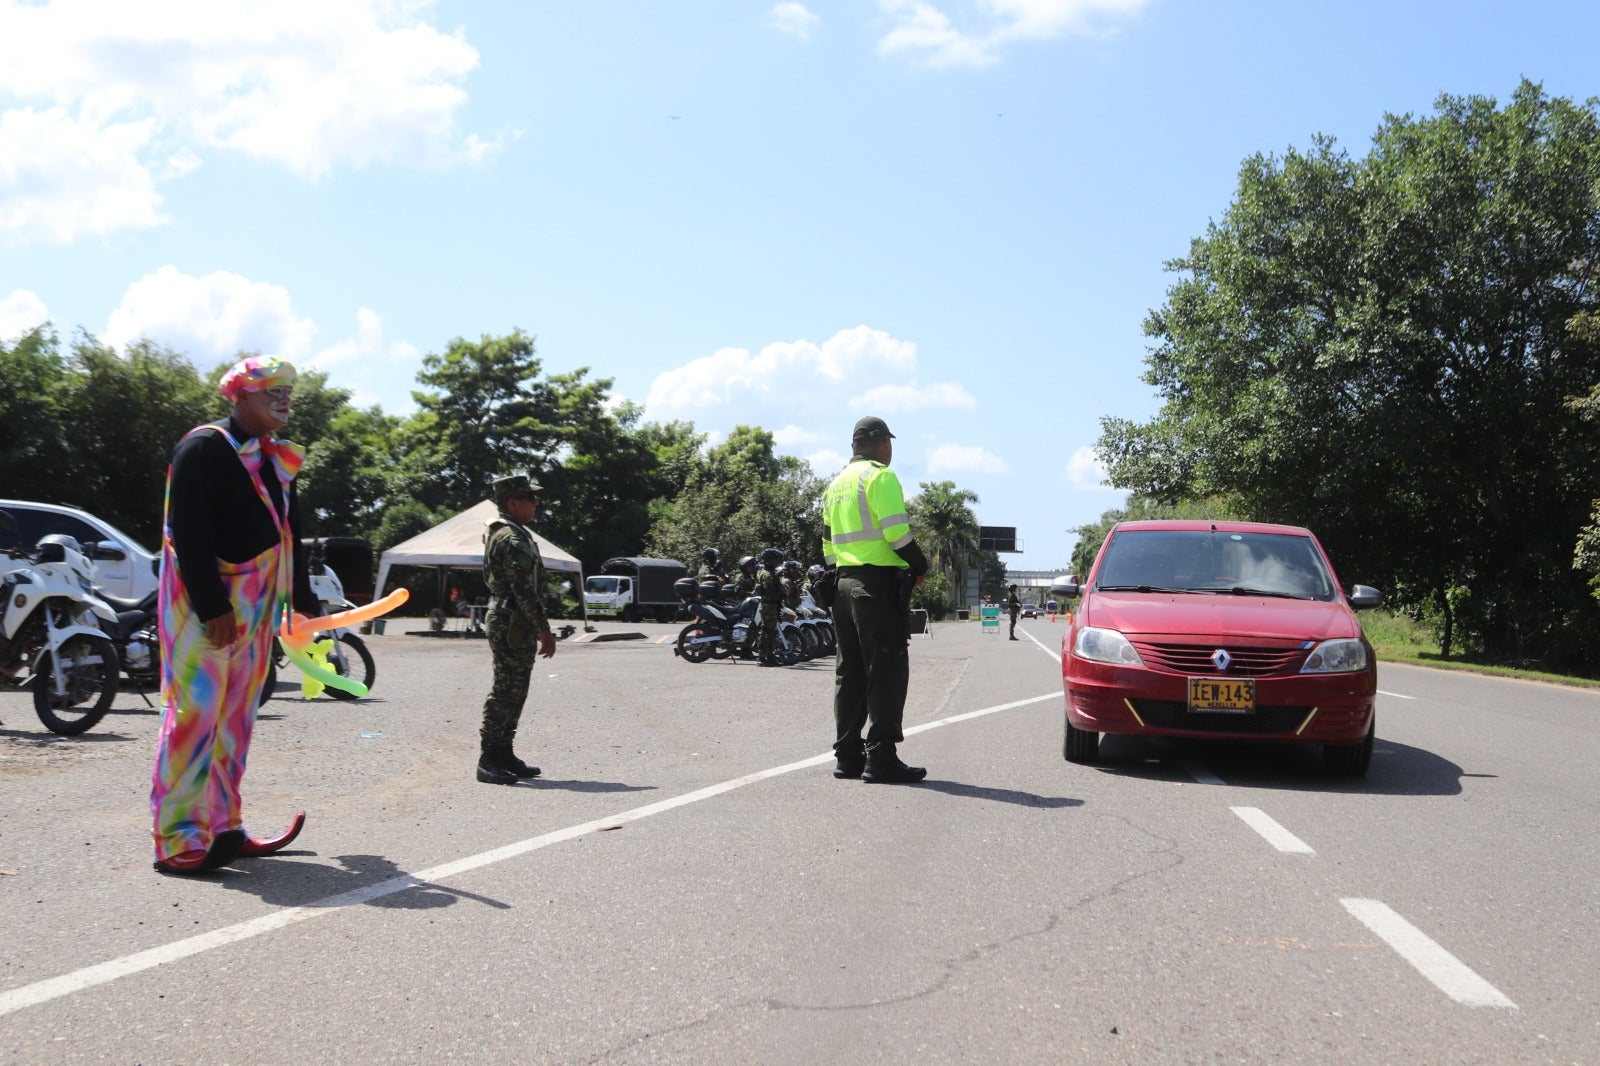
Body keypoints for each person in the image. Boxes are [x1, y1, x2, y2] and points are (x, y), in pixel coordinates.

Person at [150, 355, 321, 874]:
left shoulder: (273, 457)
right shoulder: (203, 447)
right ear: (240, 394)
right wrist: (212, 606)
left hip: (258, 607)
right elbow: (188, 531)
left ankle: (224, 828)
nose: (284, 400)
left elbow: (290, 531)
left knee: (235, 723)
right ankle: (178, 839)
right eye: (273, 390)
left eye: (289, 391)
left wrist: (302, 601)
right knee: (194, 719)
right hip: (206, 608)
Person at [820, 416, 930, 783]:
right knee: (886, 669)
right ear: (883, 442)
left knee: (850, 671)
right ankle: (881, 756)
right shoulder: (880, 477)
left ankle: (848, 755)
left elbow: (827, 543)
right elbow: (896, 533)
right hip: (875, 587)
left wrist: (841, 574)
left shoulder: (835, 484)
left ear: (854, 445)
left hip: (843, 585)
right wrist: (919, 564)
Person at [477, 473, 557, 785]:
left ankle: (503, 752)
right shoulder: (509, 537)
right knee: (505, 688)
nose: (535, 503)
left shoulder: (514, 532)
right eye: (530, 498)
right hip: (510, 618)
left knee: (517, 688)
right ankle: (487, 759)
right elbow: (523, 589)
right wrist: (544, 630)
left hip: (515, 619)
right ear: (513, 502)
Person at [754, 546, 787, 666]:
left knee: (772, 632)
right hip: (769, 606)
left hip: (772, 605)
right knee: (767, 632)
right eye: (776, 560)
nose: (778, 562)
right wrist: (781, 592)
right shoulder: (767, 575)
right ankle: (763, 657)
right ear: (770, 560)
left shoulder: (770, 573)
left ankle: (770, 655)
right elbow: (770, 591)